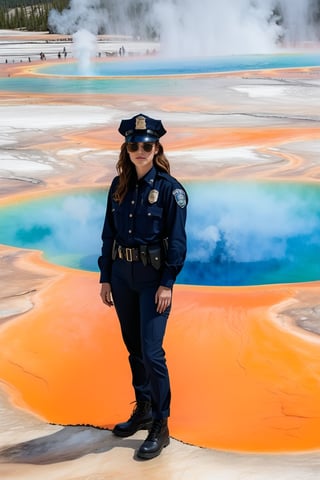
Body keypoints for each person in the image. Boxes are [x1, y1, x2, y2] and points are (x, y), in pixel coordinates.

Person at [98, 113, 188, 460]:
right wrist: (105, 275)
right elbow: (109, 234)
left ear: (156, 147)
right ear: (127, 147)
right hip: (121, 278)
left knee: (153, 352)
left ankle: (161, 425)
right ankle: (144, 408)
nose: (140, 150)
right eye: (134, 145)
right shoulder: (118, 185)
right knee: (133, 348)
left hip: (153, 283)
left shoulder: (170, 190)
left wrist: (168, 283)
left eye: (146, 145)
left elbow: (177, 242)